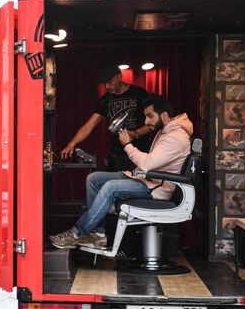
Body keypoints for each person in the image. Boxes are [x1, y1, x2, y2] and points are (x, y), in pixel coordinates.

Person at [50, 94, 193, 249]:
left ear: (164, 115)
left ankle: (77, 233)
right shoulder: (166, 131)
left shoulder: (175, 138)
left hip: (157, 189)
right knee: (94, 178)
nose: (146, 122)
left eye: (150, 116)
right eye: (146, 117)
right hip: (148, 180)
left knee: (111, 187)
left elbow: (147, 163)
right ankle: (98, 235)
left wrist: (127, 145)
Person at [60, 63, 152, 172]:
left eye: (109, 82)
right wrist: (72, 143)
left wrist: (135, 133)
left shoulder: (139, 94)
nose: (107, 86)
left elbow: (153, 123)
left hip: (141, 153)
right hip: (118, 155)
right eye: (105, 83)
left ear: (119, 76)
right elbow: (89, 125)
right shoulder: (105, 100)